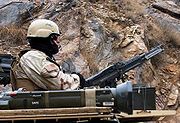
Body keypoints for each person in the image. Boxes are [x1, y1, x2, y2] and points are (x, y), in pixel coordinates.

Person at [11, 19, 85, 91]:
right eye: (55, 38)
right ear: (46, 38)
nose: (58, 41)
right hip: (37, 102)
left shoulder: (39, 56)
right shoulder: (33, 57)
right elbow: (59, 84)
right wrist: (76, 79)